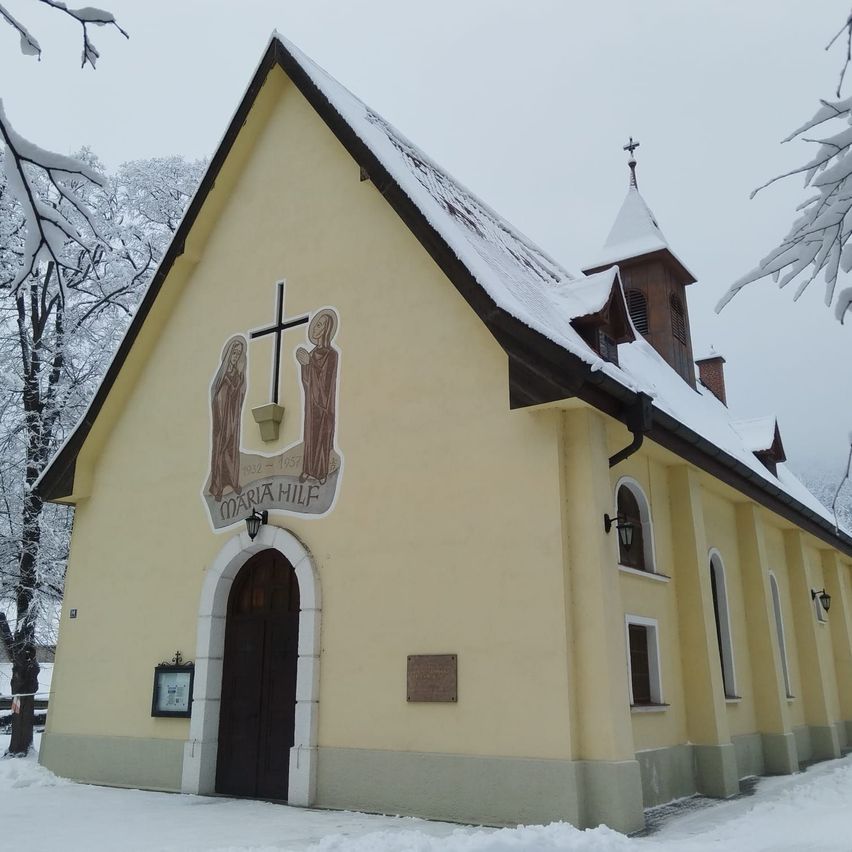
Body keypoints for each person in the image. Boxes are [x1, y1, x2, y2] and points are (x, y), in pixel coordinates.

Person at [296, 310, 339, 485]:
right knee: (310, 435)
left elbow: (326, 384)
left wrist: (310, 364)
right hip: (311, 406)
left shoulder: (332, 355)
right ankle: (308, 469)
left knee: (321, 436)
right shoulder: (312, 354)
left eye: (320, 325)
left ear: (327, 329)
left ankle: (320, 473)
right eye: (315, 325)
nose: (315, 328)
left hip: (324, 407)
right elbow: (307, 382)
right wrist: (305, 365)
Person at [209, 335, 247, 501]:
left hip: (233, 418)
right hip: (222, 419)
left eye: (238, 354)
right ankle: (217, 487)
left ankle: (232, 480)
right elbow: (217, 396)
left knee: (231, 447)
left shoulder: (238, 375)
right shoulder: (222, 375)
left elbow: (239, 394)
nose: (235, 357)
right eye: (234, 353)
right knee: (221, 448)